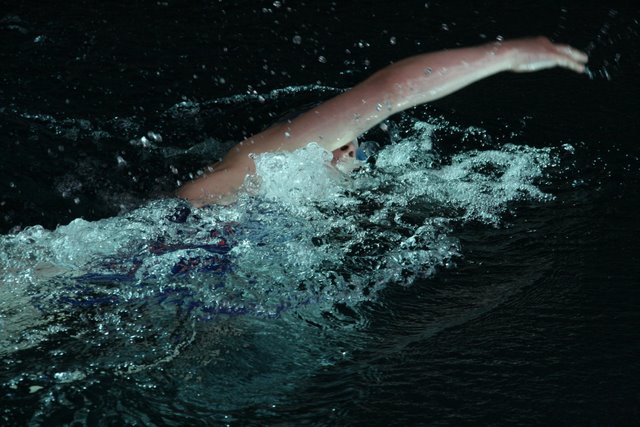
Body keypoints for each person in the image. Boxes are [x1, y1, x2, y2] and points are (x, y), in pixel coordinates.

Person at [177, 36, 587, 207]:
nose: (347, 152)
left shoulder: (299, 208)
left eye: (356, 153)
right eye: (342, 139)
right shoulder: (251, 169)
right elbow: (391, 92)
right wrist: (508, 54)